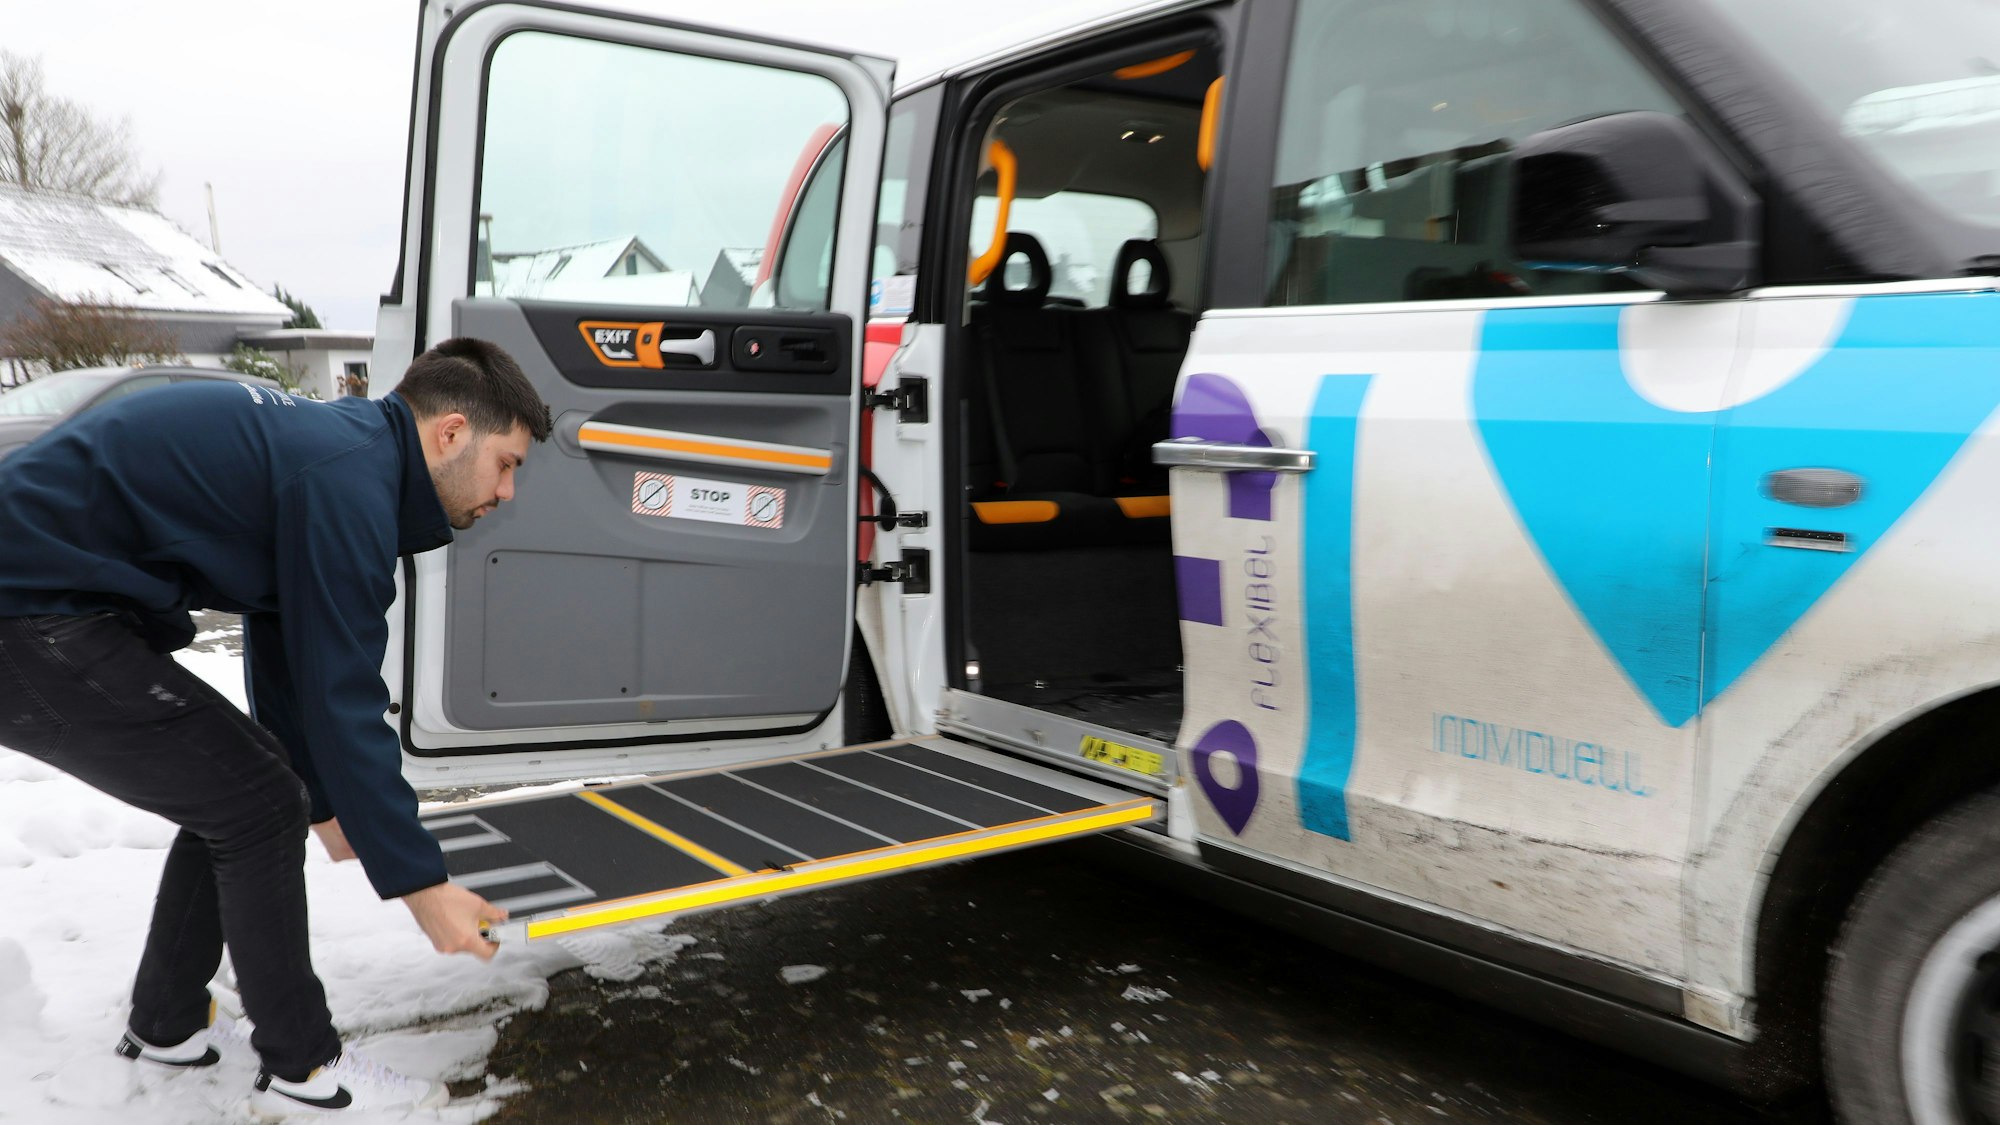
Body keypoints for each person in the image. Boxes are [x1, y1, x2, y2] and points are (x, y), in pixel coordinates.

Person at [0, 338, 553, 1117]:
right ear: (452, 432)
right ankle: (304, 1070)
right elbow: (343, 691)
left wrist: (321, 803)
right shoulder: (349, 481)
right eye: (508, 463)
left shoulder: (345, 453)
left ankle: (167, 1021)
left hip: (43, 602)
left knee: (243, 787)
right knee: (254, 799)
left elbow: (286, 643)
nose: (508, 491)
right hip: (27, 615)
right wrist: (421, 883)